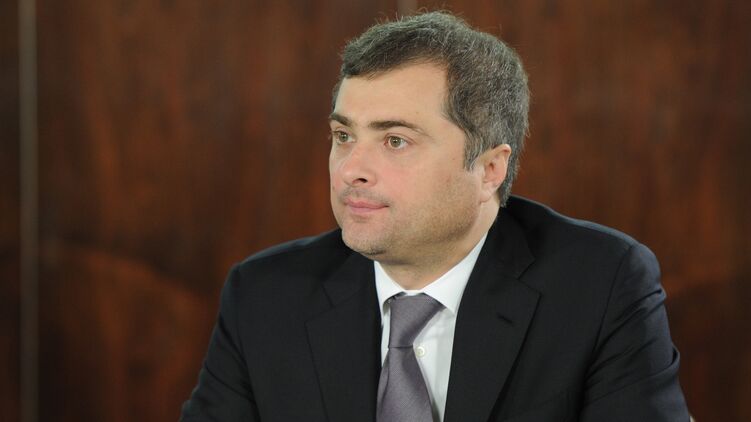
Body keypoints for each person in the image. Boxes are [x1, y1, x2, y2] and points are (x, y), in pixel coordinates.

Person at [180, 11, 689, 422]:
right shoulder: (265, 295)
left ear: (489, 169)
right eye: (343, 136)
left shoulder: (600, 285)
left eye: (395, 141)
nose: (350, 169)